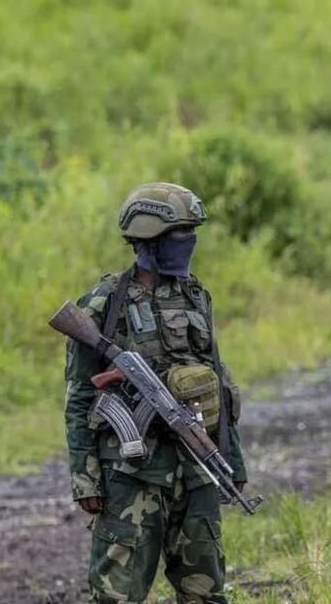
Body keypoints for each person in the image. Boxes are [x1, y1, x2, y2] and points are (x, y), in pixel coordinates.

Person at [64, 182, 248, 603]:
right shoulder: (105, 303)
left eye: (190, 234)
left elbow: (217, 381)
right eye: (180, 235)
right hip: (132, 475)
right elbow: (78, 396)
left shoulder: (196, 295)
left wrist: (230, 459)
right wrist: (85, 477)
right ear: (150, 239)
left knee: (206, 591)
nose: (189, 243)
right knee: (118, 595)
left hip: (196, 466)